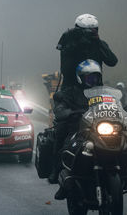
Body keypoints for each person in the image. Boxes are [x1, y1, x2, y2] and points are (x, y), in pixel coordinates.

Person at [49, 59, 104, 200]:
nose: (93, 81)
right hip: (77, 128)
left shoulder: (102, 93)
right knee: (65, 145)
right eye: (90, 77)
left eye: (96, 77)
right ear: (81, 78)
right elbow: (59, 106)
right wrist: (67, 112)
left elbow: (116, 104)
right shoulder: (70, 92)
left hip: (98, 128)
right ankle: (60, 176)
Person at [56, 13, 118, 90]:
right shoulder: (69, 45)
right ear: (78, 30)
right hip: (72, 91)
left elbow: (112, 61)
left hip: (95, 90)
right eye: (87, 31)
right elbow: (66, 71)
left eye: (94, 30)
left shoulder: (99, 44)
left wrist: (98, 42)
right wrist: (77, 45)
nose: (91, 33)